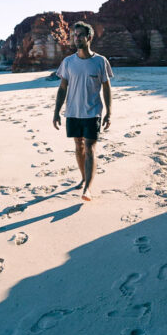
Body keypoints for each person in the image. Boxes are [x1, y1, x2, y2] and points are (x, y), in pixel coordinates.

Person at [53, 21, 113, 201]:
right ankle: (83, 177)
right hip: (72, 112)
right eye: (74, 35)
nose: (76, 38)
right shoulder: (68, 62)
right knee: (78, 146)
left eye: (80, 35)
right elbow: (62, 88)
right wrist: (56, 111)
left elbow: (106, 88)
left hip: (92, 112)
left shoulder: (100, 61)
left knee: (89, 147)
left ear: (89, 37)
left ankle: (87, 188)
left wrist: (109, 112)